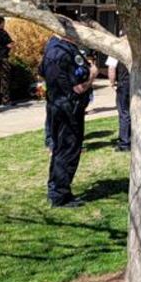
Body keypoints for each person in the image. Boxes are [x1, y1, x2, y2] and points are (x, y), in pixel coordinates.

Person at [41, 33, 97, 207]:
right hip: (67, 109)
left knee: (61, 150)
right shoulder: (62, 52)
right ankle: (60, 194)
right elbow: (77, 88)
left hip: (58, 106)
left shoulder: (53, 48)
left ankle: (58, 190)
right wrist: (92, 75)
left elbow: (41, 72)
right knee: (68, 150)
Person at [106, 47, 131, 152]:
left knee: (124, 113)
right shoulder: (138, 48)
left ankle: (125, 143)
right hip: (138, 84)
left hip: (124, 84)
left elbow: (111, 68)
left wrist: (112, 83)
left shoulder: (116, 49)